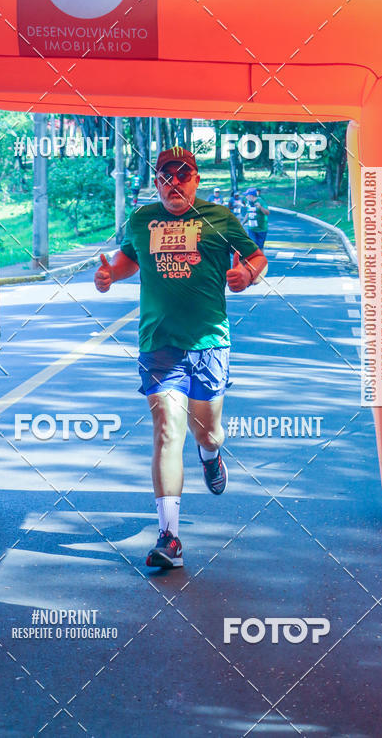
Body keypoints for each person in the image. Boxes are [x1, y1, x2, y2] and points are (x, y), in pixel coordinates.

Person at [94, 147, 268, 569]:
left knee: (205, 432)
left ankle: (211, 455)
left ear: (196, 179)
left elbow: (256, 257)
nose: (174, 183)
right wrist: (109, 275)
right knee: (168, 430)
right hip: (159, 343)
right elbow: (127, 261)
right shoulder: (141, 220)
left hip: (209, 344)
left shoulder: (220, 218)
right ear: (157, 182)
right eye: (165, 177)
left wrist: (247, 274)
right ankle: (169, 537)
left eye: (183, 175)